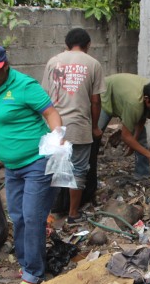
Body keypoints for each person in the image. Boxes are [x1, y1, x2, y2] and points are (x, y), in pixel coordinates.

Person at [0, 43, 63, 284]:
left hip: (37, 162)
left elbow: (50, 113)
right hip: (12, 165)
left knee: (32, 216)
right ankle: (25, 261)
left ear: (6, 66)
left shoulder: (25, 85)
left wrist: (58, 137)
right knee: (17, 215)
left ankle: (34, 272)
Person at [42, 28, 106, 224]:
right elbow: (96, 101)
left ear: (66, 44)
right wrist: (95, 127)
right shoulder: (93, 64)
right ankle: (73, 214)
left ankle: (51, 212)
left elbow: (44, 97)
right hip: (79, 126)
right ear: (87, 45)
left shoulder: (53, 62)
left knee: (52, 168)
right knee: (78, 170)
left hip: (55, 126)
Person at [82, 73, 150, 204]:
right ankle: (86, 179)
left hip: (124, 94)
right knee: (94, 136)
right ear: (146, 99)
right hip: (106, 95)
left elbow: (141, 120)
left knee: (141, 139)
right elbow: (125, 136)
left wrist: (133, 142)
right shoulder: (134, 103)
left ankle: (142, 175)